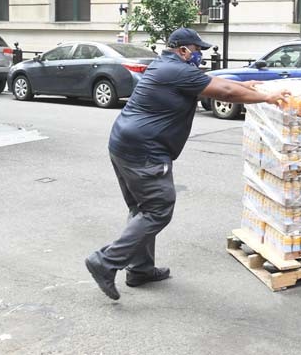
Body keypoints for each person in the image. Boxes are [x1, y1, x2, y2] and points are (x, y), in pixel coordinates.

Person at [85, 28, 290, 301]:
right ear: (183, 50)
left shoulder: (167, 66)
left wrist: (248, 86)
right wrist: (267, 97)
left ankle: (141, 269)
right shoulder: (177, 70)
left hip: (124, 144)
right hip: (145, 151)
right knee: (158, 209)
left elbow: (214, 81)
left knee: (141, 208)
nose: (200, 56)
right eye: (197, 51)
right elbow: (225, 92)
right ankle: (106, 261)